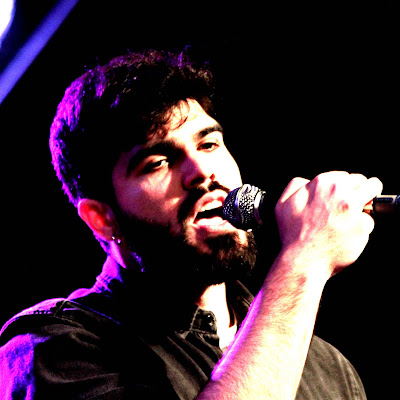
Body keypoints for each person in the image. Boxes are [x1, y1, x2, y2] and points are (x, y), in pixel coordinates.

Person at [0, 49, 382, 399]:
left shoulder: (327, 368)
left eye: (209, 144)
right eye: (158, 162)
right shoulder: (54, 347)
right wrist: (306, 260)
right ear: (102, 218)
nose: (202, 171)